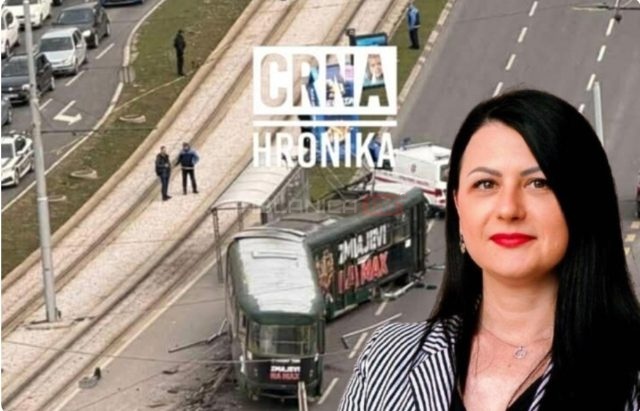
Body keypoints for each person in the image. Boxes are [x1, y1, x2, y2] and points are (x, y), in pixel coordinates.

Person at [339, 89, 640, 410]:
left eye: (538, 183)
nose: (508, 209)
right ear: (458, 206)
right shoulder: (387, 361)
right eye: (486, 184)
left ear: (582, 203)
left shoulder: (631, 372)